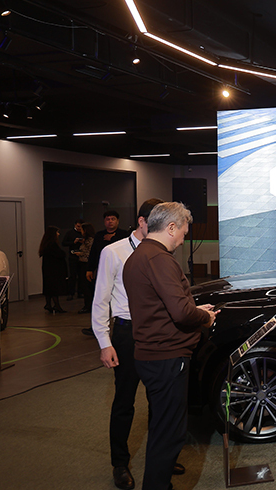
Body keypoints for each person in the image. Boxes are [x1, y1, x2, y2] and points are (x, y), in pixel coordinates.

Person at [90, 199, 184, 490]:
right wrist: (104, 342)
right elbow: (100, 299)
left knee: (160, 400)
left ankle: (161, 457)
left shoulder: (163, 251)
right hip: (127, 333)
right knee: (124, 401)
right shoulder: (113, 251)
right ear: (143, 221)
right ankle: (119, 463)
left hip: (159, 332)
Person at [123, 202, 217, 490]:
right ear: (171, 227)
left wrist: (192, 308)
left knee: (162, 429)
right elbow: (180, 313)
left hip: (151, 354)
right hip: (167, 357)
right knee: (170, 435)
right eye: (184, 233)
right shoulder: (160, 259)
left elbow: (160, 306)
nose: (183, 240)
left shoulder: (138, 256)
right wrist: (205, 317)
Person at [87, 210, 131, 283]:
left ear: (117, 221)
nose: (110, 221)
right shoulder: (99, 235)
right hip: (102, 267)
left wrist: (113, 238)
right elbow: (93, 252)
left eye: (113, 219)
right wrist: (90, 269)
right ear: (104, 221)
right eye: (108, 219)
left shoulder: (124, 234)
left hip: (119, 267)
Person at [39, 226, 67, 314]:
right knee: (54, 288)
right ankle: (57, 306)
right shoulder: (52, 245)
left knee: (49, 287)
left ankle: (48, 304)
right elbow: (61, 254)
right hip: (53, 269)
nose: (58, 234)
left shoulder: (46, 245)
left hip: (48, 269)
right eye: (57, 232)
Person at [75, 222, 96, 314]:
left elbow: (91, 253)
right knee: (86, 286)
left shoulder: (90, 240)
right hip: (83, 263)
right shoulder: (86, 240)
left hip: (86, 264)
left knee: (87, 286)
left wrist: (81, 253)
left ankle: (88, 305)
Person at [61, 220, 84, 300]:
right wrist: (73, 242)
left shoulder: (84, 233)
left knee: (81, 275)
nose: (79, 228)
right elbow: (64, 243)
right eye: (78, 226)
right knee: (72, 275)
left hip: (82, 256)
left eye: (81, 227)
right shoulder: (70, 233)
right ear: (75, 225)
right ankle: (71, 293)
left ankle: (80, 292)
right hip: (73, 256)